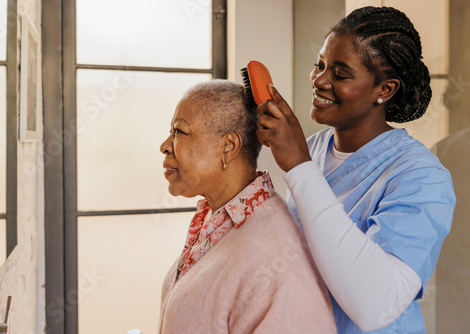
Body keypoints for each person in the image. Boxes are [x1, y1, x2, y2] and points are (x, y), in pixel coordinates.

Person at [256, 6, 456, 334]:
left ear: (385, 89)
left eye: (340, 73)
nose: (319, 81)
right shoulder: (314, 148)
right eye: (319, 65)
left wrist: (298, 166)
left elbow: (376, 306)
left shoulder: (420, 176)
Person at [158, 80, 336, 334]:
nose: (165, 145)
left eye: (179, 132)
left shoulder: (275, 256)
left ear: (228, 146)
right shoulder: (217, 219)